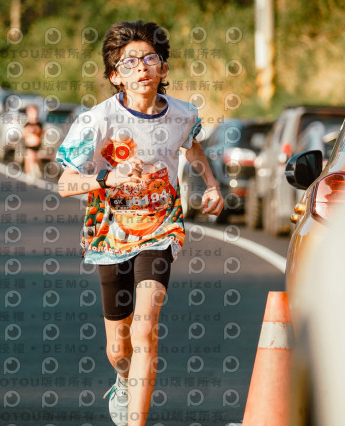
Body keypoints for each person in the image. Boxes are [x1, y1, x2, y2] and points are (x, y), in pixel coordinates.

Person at [55, 20, 223, 426]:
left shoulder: (183, 114)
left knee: (146, 329)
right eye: (129, 62)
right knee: (119, 348)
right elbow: (65, 184)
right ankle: (123, 378)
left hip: (161, 228)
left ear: (163, 67)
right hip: (110, 234)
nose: (142, 68)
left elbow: (191, 147)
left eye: (150, 58)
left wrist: (212, 185)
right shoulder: (98, 120)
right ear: (116, 76)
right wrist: (107, 177)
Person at [22, 104, 43, 178]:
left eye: (35, 113)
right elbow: (23, 134)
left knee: (36, 158)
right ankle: (29, 174)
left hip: (37, 147)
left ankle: (36, 167)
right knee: (29, 158)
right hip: (28, 147)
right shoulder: (26, 124)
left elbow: (41, 131)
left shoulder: (39, 124)